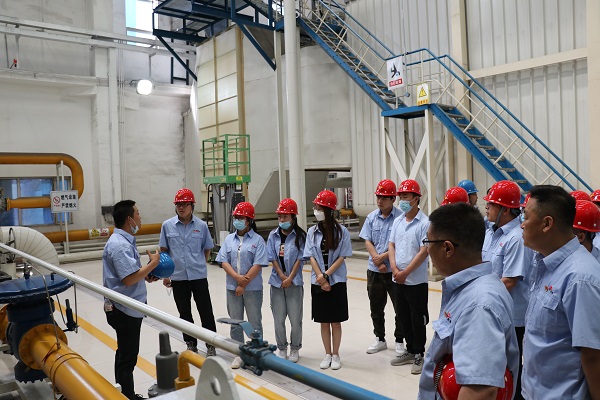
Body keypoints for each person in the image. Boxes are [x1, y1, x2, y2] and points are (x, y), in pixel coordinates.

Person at [418, 203, 519, 400]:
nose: (427, 250)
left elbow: (480, 391)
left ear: (447, 248)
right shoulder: (475, 288)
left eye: (428, 243)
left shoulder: (478, 306)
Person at [521, 185, 600, 399]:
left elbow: (593, 354)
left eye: (526, 217)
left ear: (547, 224)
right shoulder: (546, 265)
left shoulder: (580, 278)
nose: (522, 224)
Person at [103, 200, 160, 400]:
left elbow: (131, 274)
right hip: (124, 309)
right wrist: (152, 265)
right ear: (129, 219)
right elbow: (127, 279)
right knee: (128, 356)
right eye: (137, 213)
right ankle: (127, 396)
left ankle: (124, 392)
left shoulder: (124, 240)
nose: (140, 217)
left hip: (126, 306)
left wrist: (146, 275)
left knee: (125, 353)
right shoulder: (119, 245)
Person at [482, 180, 529, 400]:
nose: (486, 207)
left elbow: (510, 281)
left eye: (491, 204)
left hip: (513, 317)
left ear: (506, 209)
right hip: (494, 310)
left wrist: (479, 296)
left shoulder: (516, 238)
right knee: (497, 363)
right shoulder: (491, 233)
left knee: (513, 367)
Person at [159, 188, 217, 356]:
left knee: (206, 311)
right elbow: (164, 251)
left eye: (185, 204)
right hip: (178, 277)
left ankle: (211, 344)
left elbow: (207, 249)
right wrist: (166, 275)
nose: (181, 207)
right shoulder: (167, 226)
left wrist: (198, 264)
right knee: (184, 313)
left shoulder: (201, 226)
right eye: (178, 204)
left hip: (198, 276)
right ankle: (190, 344)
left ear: (192, 206)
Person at [216, 201, 268, 369]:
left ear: (249, 220)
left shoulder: (258, 240)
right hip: (232, 288)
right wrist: (237, 278)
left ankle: (256, 352)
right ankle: (239, 353)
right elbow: (223, 261)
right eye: (236, 217)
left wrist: (243, 283)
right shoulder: (229, 239)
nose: (237, 220)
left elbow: (258, 264)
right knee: (235, 323)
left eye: (241, 218)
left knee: (254, 322)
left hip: (253, 289)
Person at [304, 190, 352, 370]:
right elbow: (310, 256)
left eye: (319, 207)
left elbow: (342, 257)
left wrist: (326, 276)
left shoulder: (342, 232)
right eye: (316, 207)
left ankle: (336, 354)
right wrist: (321, 277)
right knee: (324, 321)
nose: (316, 210)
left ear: (328, 210)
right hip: (318, 281)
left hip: (336, 281)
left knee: (335, 321)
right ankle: (327, 354)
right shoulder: (312, 231)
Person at [389, 179, 429, 374]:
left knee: (417, 318)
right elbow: (391, 245)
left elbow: (424, 251)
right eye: (401, 197)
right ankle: (410, 350)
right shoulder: (397, 221)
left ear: (416, 198)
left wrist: (405, 272)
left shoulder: (425, 223)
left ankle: (419, 353)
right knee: (402, 316)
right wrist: (394, 268)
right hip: (398, 279)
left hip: (416, 281)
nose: (402, 200)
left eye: (405, 196)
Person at [359, 179, 404, 355]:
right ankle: (379, 338)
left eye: (384, 197)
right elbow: (367, 240)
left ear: (393, 199)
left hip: (393, 269)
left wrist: (384, 259)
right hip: (374, 270)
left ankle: (399, 340)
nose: (380, 200)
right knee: (376, 307)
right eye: (378, 197)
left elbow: (400, 243)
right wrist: (377, 260)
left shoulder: (400, 218)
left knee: (399, 307)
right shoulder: (371, 217)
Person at [266, 198, 307, 363]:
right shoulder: (273, 235)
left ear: (293, 217)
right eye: (280, 216)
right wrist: (282, 276)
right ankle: (282, 347)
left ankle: (295, 348)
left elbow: (300, 259)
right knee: (279, 319)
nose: (282, 219)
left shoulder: (300, 236)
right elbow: (272, 258)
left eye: (285, 216)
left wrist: (290, 278)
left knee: (295, 319)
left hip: (294, 283)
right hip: (277, 283)